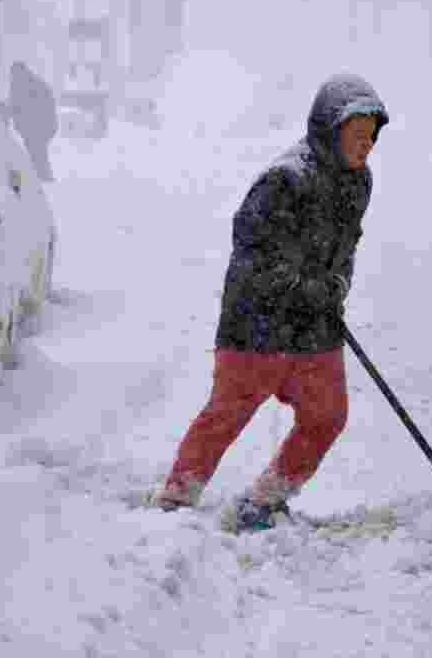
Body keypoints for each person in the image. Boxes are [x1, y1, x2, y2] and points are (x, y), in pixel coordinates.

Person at [152, 73, 389, 532]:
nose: (364, 146)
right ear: (327, 130)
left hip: (316, 324)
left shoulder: (359, 183)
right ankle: (176, 500)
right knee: (226, 415)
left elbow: (348, 245)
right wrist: (307, 290)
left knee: (327, 415)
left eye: (370, 137)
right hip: (257, 325)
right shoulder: (285, 180)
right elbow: (252, 254)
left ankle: (267, 498)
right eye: (354, 135)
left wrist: (337, 285)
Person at [8, 61, 58, 182]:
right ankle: (42, 178)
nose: (12, 77)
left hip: (39, 126)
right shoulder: (24, 84)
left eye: (14, 74)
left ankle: (44, 179)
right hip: (35, 126)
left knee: (37, 154)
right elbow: (16, 106)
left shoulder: (28, 86)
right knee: (37, 154)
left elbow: (21, 106)